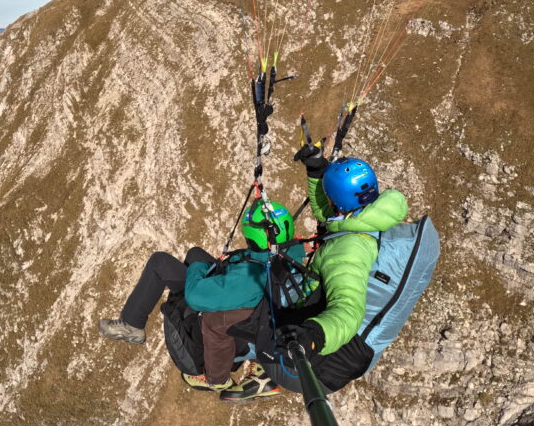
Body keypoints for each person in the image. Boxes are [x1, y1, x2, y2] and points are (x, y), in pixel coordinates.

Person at [219, 146, 408, 401]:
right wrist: (317, 170)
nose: (327, 204)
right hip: (313, 318)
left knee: (233, 315)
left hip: (312, 367)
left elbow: (349, 311)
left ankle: (241, 372)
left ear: (339, 202)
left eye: (330, 197)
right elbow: (329, 215)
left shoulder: (349, 252)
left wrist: (313, 336)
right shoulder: (366, 217)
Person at [100, 200, 303, 394]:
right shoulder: (292, 253)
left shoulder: (251, 276)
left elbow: (195, 296)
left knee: (162, 263)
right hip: (253, 308)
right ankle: (131, 322)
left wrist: (199, 269)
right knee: (195, 253)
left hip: (232, 329)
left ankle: (131, 325)